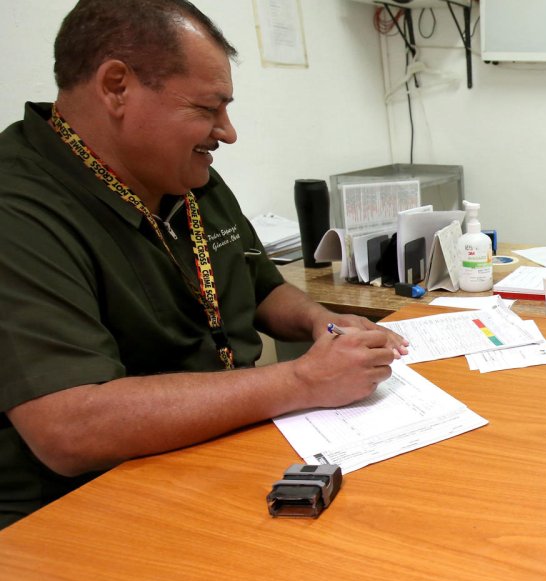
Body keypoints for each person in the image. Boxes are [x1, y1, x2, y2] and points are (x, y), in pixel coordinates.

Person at [0, 0, 409, 530]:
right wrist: (305, 380)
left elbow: (259, 285)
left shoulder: (184, 172)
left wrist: (319, 323)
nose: (228, 131)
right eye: (206, 109)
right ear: (116, 86)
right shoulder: (19, 207)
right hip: (84, 509)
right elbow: (69, 428)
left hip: (223, 453)